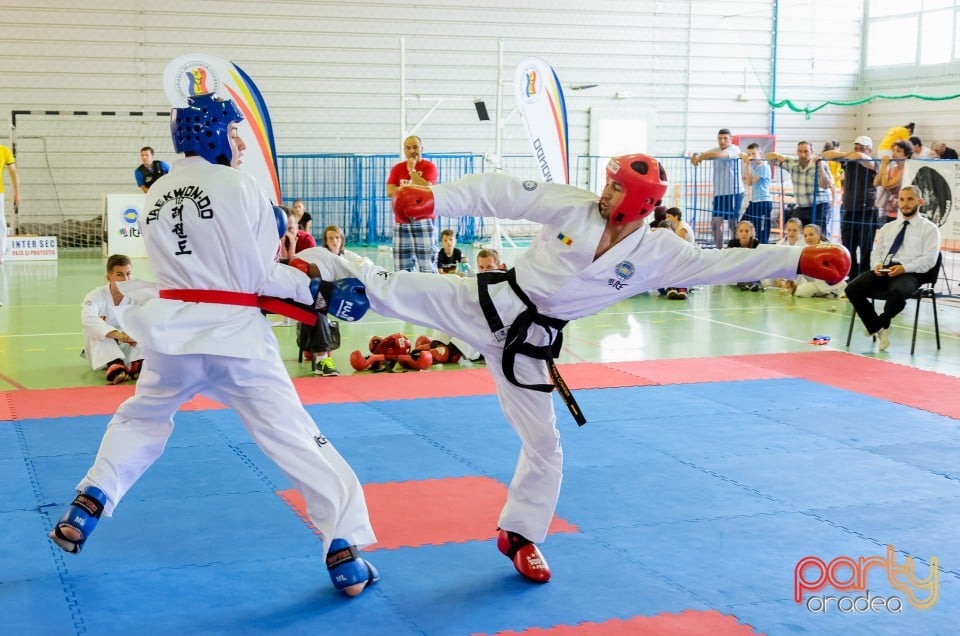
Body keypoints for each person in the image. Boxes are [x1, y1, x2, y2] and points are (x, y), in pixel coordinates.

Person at [292, 153, 850, 584]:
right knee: (392, 289)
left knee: (546, 445)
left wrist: (796, 257)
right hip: (485, 303)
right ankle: (303, 269)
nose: (605, 192)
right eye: (607, 182)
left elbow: (722, 263)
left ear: (637, 203)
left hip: (529, 347)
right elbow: (501, 190)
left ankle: (521, 534)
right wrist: (434, 199)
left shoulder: (659, 252)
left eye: (615, 187)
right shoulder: (573, 205)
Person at [48, 93, 379, 598]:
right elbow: (257, 275)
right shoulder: (236, 185)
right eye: (233, 132)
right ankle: (344, 548)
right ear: (211, 133)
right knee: (292, 434)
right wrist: (316, 290)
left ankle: (91, 499)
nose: (241, 143)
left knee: (142, 417)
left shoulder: (156, 191)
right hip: (234, 337)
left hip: (172, 334)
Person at [846, 185, 940, 351]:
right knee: (852, 288)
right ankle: (878, 326)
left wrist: (904, 268)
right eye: (902, 199)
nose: (905, 204)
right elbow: (877, 252)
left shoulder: (930, 229)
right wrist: (877, 265)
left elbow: (929, 260)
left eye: (910, 199)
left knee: (897, 292)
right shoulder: (888, 228)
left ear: (920, 201)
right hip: (885, 270)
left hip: (911, 273)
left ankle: (880, 323)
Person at [81, 254, 145, 384]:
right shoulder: (95, 296)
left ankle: (136, 364)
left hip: (129, 345)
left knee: (144, 331)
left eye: (128, 274)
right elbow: (88, 320)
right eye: (120, 275)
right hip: (101, 349)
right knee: (97, 332)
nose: (125, 279)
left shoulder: (138, 297)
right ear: (109, 277)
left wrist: (134, 335)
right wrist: (120, 336)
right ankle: (115, 365)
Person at [824, 135, 879, 278]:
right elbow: (826, 155)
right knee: (848, 246)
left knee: (866, 247)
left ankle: (865, 276)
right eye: (856, 147)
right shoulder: (849, 160)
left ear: (869, 150)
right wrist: (848, 155)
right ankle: (852, 276)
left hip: (867, 209)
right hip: (848, 209)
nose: (858, 151)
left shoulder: (873, 161)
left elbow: (863, 158)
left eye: (862, 148)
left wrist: (855, 155)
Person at [387, 135, 439, 272]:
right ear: (404, 150)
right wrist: (412, 192)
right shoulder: (397, 169)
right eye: (408, 148)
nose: (412, 151)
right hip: (401, 221)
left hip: (424, 219)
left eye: (415, 147)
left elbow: (427, 189)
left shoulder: (429, 167)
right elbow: (389, 190)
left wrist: (412, 171)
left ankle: (430, 292)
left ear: (422, 148)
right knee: (401, 266)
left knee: (427, 264)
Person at [691, 129, 743, 249]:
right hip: (719, 194)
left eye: (725, 138)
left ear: (731, 139)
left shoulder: (734, 149)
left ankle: (735, 249)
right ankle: (719, 250)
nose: (722, 141)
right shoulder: (715, 149)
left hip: (733, 192)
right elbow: (702, 153)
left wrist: (702, 156)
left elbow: (718, 155)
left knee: (732, 224)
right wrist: (696, 156)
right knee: (715, 224)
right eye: (720, 138)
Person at [765, 141, 832, 227]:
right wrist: (778, 155)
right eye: (800, 151)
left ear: (811, 152)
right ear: (797, 152)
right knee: (795, 229)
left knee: (818, 235)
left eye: (806, 151)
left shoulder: (820, 163)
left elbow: (826, 186)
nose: (803, 154)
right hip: (802, 206)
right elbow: (768, 157)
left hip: (820, 206)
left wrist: (820, 168)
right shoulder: (793, 163)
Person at [793, 224, 847, 298]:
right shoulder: (804, 251)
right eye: (805, 236)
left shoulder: (828, 248)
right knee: (799, 292)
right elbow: (799, 271)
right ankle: (828, 293)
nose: (808, 238)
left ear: (818, 235)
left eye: (811, 235)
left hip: (832, 283)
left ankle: (839, 292)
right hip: (815, 284)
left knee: (801, 291)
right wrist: (793, 283)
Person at [740, 143, 773, 244]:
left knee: (760, 230)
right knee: (743, 223)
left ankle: (762, 248)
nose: (751, 157)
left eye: (753, 154)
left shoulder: (764, 167)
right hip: (754, 201)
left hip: (763, 202)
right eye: (749, 154)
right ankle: (748, 245)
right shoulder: (757, 168)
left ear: (760, 154)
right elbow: (749, 181)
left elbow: (749, 182)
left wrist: (746, 164)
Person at [875, 139, 913, 224]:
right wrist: (883, 166)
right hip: (889, 211)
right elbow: (876, 182)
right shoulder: (891, 169)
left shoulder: (905, 170)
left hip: (902, 212)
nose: (894, 153)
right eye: (893, 151)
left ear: (906, 155)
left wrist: (884, 165)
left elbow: (886, 185)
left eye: (898, 151)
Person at [727, 220, 762, 292]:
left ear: (751, 233)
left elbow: (759, 261)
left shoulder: (756, 244)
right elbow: (730, 260)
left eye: (747, 231)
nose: (744, 233)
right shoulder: (732, 244)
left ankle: (754, 284)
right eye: (741, 231)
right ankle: (743, 283)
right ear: (737, 233)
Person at [1, 142, 21, 263]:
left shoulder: (4, 151)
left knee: (1, 224)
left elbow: (13, 172)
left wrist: (17, 192)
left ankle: (1, 254)